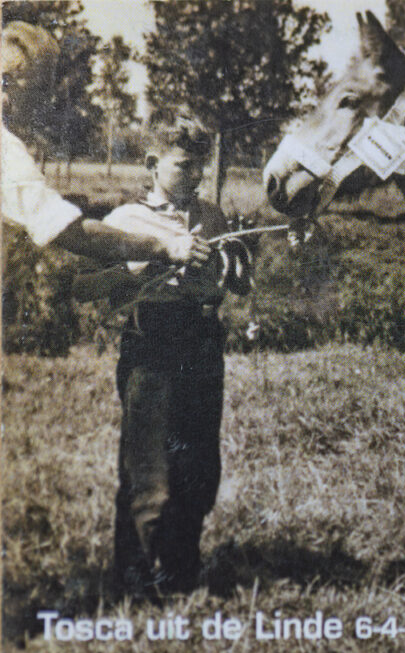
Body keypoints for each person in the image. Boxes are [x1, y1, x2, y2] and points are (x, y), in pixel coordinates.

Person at [102, 114, 254, 597]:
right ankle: (134, 581)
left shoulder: (212, 215)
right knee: (148, 470)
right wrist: (158, 257)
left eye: (200, 166)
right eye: (184, 165)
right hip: (153, 342)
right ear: (152, 164)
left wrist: (239, 266)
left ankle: (180, 573)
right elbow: (90, 287)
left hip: (202, 342)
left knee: (198, 466)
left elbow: (233, 285)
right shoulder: (125, 220)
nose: (195, 175)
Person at [1, 20, 209, 267]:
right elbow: (74, 235)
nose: (48, 100)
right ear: (6, 81)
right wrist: (165, 246)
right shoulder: (7, 150)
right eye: (40, 88)